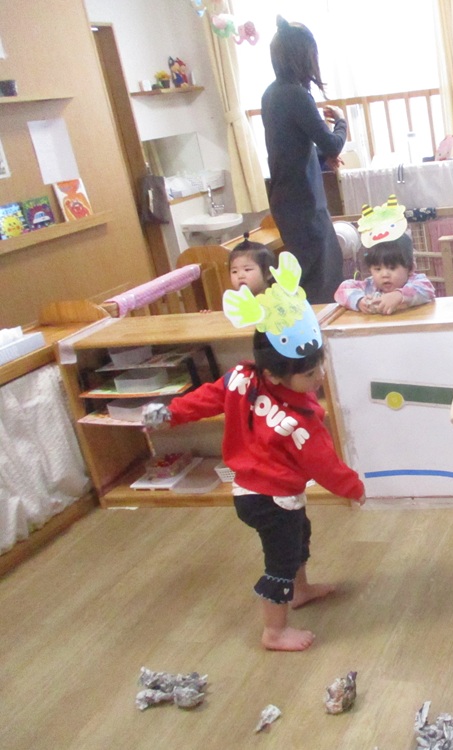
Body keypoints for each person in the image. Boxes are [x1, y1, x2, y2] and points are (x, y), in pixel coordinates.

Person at [144, 253, 365, 650]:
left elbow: (205, 398)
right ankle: (274, 631)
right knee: (280, 561)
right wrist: (355, 489)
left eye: (320, 366)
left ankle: (301, 591)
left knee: (299, 536)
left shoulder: (241, 377)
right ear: (273, 374)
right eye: (309, 374)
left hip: (262, 492)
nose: (319, 377)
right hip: (269, 498)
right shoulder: (299, 420)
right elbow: (324, 465)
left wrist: (171, 413)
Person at [262, 16, 347, 303]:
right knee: (322, 276)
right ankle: (322, 327)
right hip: (304, 203)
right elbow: (332, 142)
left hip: (287, 201)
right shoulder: (296, 95)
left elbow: (290, 146)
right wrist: (341, 121)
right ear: (304, 56)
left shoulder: (271, 94)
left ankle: (316, 325)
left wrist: (322, 157)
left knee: (312, 272)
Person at [334, 198, 435, 314]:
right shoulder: (370, 286)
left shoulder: (416, 282)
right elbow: (342, 290)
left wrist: (398, 296)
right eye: (377, 269)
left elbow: (427, 289)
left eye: (392, 268)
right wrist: (359, 301)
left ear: (410, 268)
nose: (384, 274)